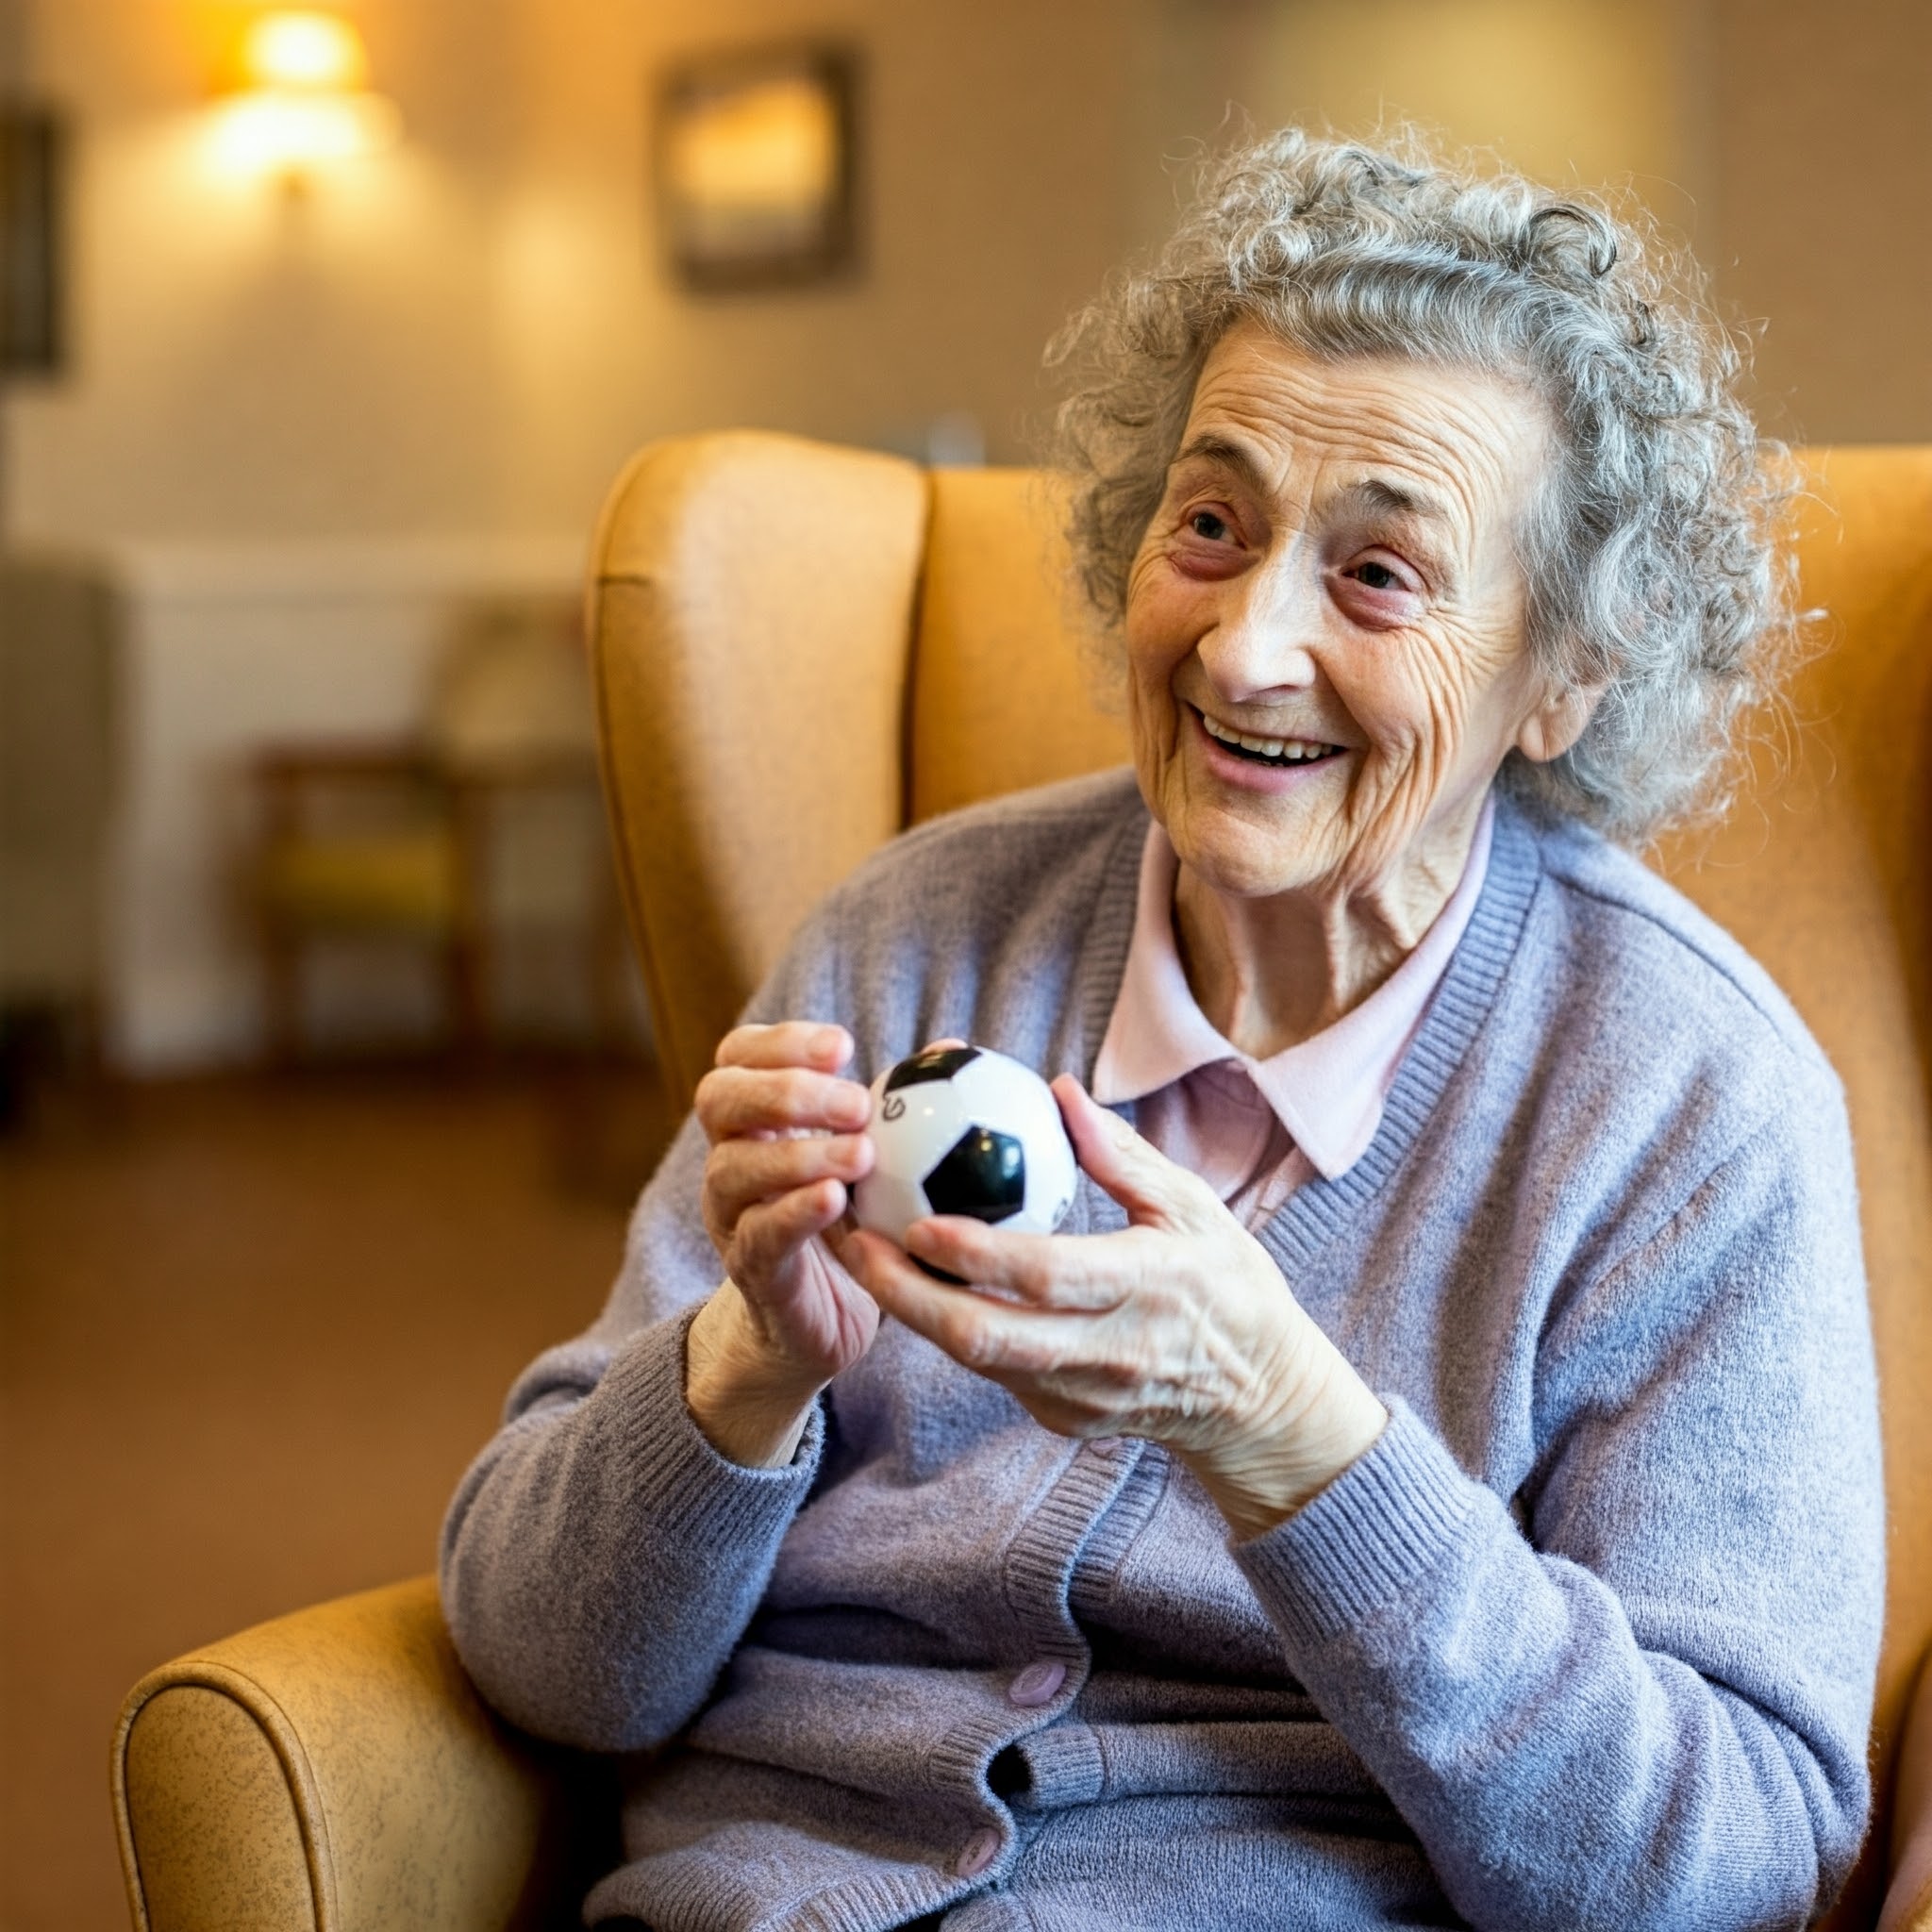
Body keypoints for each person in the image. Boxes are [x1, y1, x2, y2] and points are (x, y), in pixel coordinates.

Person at [441, 129, 1882, 1931]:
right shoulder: (911, 937)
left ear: (1567, 672)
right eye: (1211, 525)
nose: (1244, 648)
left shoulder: (1691, 1103)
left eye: (1378, 575)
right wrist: (741, 1372)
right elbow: (538, 1658)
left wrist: (1291, 1437)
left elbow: (1733, 1859)